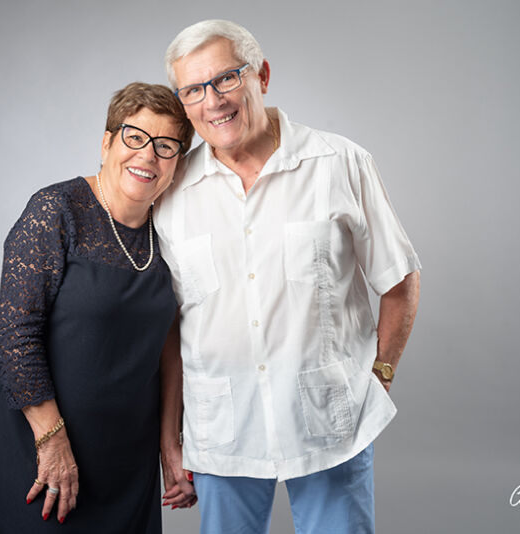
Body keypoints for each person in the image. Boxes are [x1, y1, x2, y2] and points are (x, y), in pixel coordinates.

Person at [156, 20, 422, 534]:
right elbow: (170, 325)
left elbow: (400, 280)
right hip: (221, 433)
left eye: (226, 79)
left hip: (330, 422)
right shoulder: (172, 193)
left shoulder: (340, 163)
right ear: (183, 102)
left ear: (262, 75)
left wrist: (381, 377)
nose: (213, 101)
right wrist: (171, 435)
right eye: (193, 89)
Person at [0, 82, 195, 533]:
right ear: (107, 142)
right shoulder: (57, 211)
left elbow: (169, 345)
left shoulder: (171, 232)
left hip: (128, 463)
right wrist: (52, 442)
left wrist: (170, 444)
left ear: (177, 163)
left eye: (165, 145)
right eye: (134, 137)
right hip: (46, 455)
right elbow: (14, 336)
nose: (147, 155)